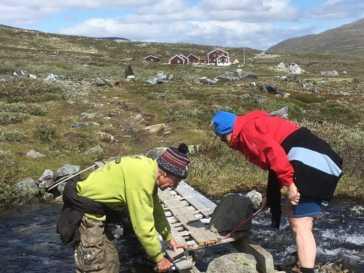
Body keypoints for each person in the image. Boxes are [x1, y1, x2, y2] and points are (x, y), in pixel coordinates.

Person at [211, 110, 343, 273]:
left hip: (311, 161)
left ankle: (307, 269)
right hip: (317, 158)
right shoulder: (250, 124)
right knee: (295, 215)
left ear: (229, 131)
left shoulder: (247, 130)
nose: (225, 142)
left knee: (300, 223)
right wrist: (271, 195)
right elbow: (274, 163)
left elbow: (275, 154)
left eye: (223, 138)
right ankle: (302, 261)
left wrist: (290, 185)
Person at [57, 144, 190, 273]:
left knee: (111, 261)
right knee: (95, 266)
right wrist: (159, 258)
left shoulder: (149, 169)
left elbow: (156, 209)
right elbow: (143, 225)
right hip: (86, 215)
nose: (174, 187)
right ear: (165, 174)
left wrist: (169, 238)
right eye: (176, 181)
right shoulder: (142, 179)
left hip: (98, 213)